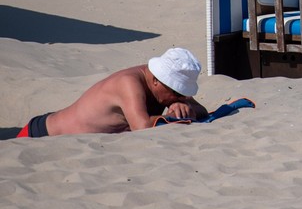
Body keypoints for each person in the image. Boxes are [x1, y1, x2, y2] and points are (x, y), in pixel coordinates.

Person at [17, 47, 208, 138]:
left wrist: (183, 106)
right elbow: (141, 127)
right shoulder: (129, 84)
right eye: (175, 92)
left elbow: (202, 112)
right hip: (41, 136)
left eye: (181, 93)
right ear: (157, 80)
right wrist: (176, 115)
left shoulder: (165, 87)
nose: (178, 97)